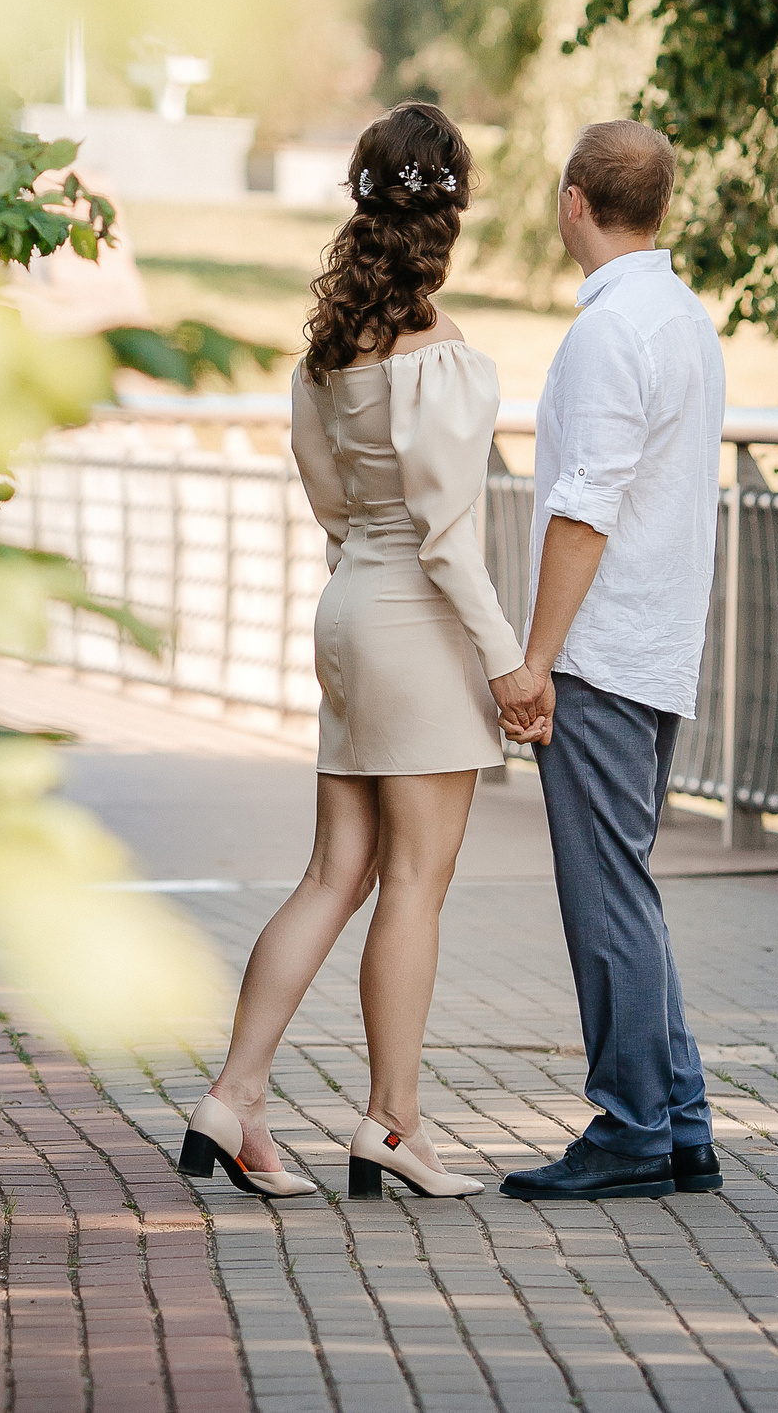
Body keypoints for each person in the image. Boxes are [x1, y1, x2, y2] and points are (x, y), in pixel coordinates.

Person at [176, 103, 551, 1204]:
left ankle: (235, 1097)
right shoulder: (449, 363)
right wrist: (506, 666)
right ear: (452, 216)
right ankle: (392, 1125)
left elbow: (334, 508)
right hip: (417, 628)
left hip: (345, 610)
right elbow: (447, 541)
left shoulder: (323, 362)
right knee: (415, 888)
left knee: (335, 873)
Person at [492, 120, 729, 1201]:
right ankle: (678, 1122)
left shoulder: (605, 334)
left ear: (573, 202)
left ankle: (630, 1128)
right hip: (658, 638)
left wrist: (535, 658)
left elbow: (581, 509)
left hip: (597, 648)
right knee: (627, 888)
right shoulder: (684, 320)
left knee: (603, 898)